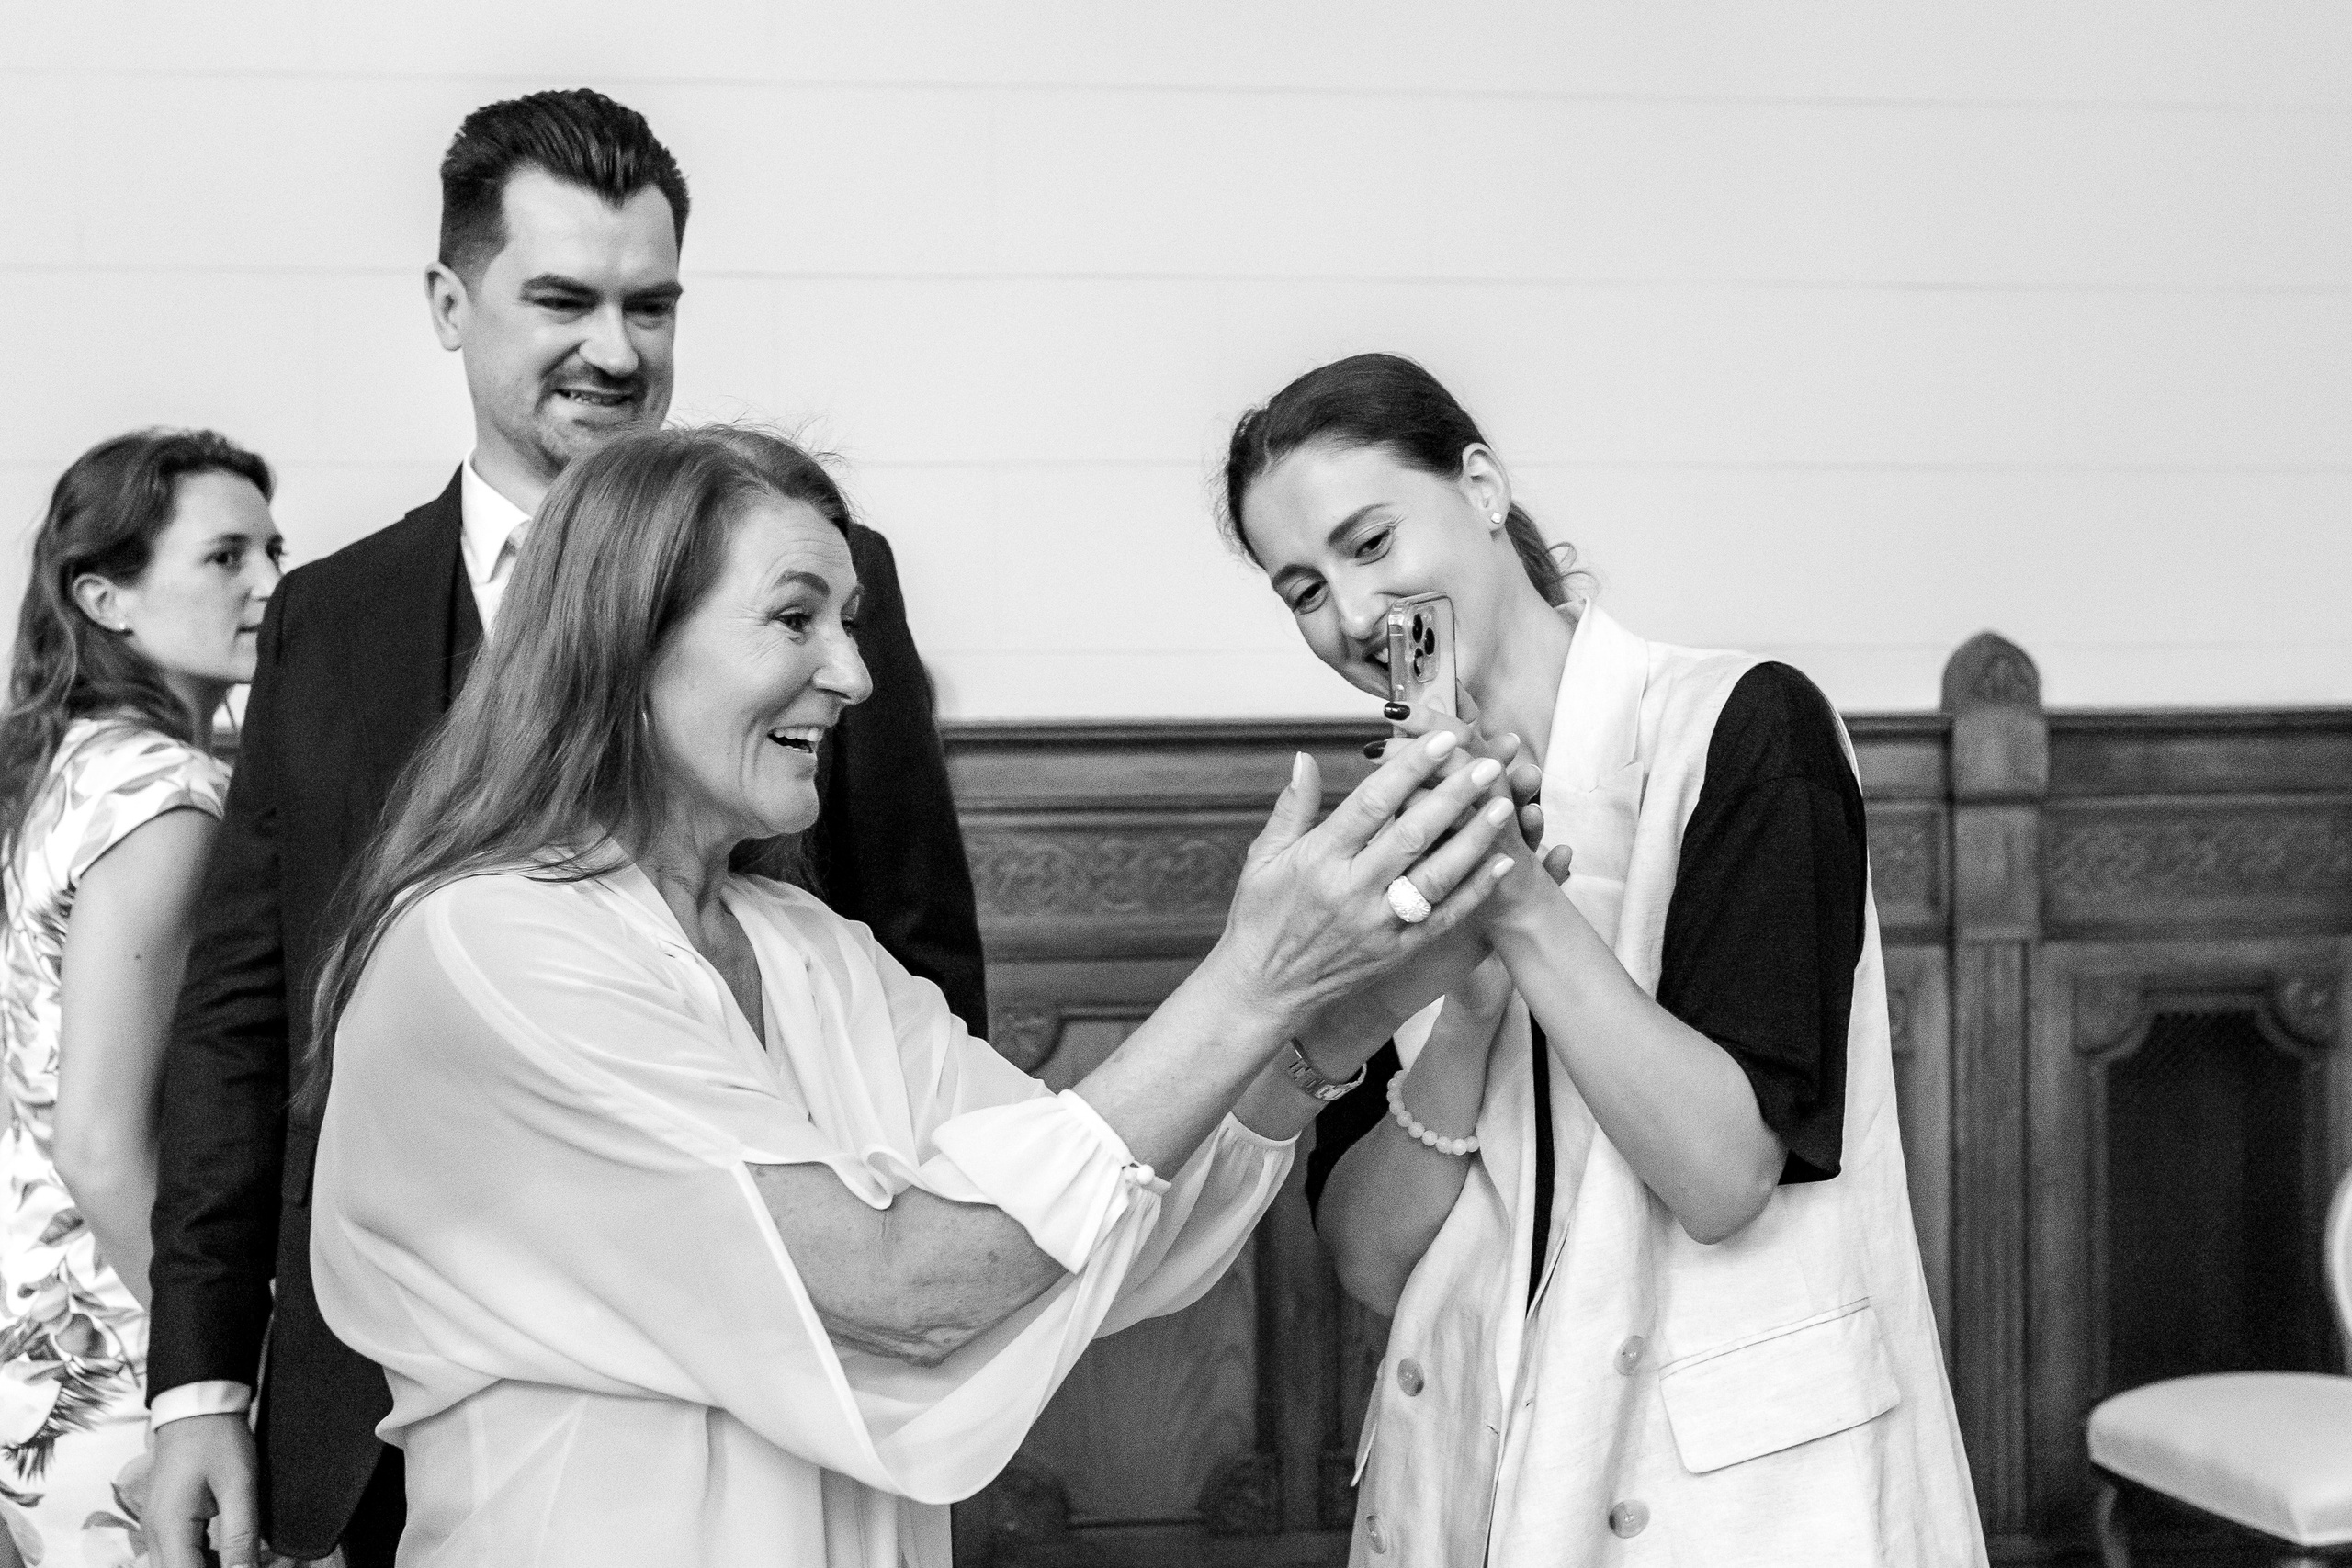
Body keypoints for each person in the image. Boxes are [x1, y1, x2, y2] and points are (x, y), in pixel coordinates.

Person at [300, 423, 1521, 1565]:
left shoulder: (806, 949)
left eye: (851, 620)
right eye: (796, 618)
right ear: (627, 640)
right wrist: (1254, 976)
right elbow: (907, 1284)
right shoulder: (489, 944)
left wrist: (1339, 1015)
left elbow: (1099, 1217)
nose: (854, 671)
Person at [146, 91, 989, 1568]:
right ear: (449, 303)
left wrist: (925, 1304)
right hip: (381, 1384)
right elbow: (241, 1014)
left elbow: (915, 950)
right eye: (563, 299)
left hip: (741, 1393)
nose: (617, 349)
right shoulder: (329, 617)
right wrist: (200, 1378)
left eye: (650, 304)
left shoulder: (833, 589)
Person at [1223, 354, 1986, 1565]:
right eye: (1305, 589)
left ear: (1480, 485)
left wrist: (1515, 901)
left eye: (1372, 541)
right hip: (1469, 1474)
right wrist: (1463, 1015)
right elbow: (1369, 1259)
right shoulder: (1374, 836)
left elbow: (1724, 1173)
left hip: (1732, 1500)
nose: (1356, 616)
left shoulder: (1741, 728)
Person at [0, 431, 282, 1565]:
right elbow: (105, 1144)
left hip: (42, 1337)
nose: (269, 582)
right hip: (124, 1367)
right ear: (106, 596)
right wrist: (217, 1381)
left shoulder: (65, 763)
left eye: (274, 547)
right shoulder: (162, 801)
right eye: (225, 557)